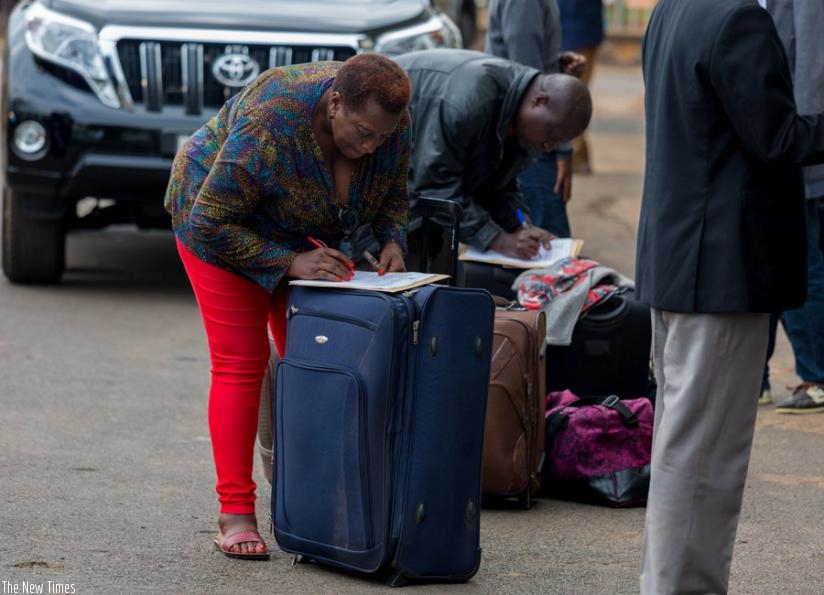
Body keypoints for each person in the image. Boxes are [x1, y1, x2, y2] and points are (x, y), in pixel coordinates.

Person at [163, 53, 412, 560]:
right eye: (362, 133)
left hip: (297, 230)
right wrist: (289, 262)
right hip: (217, 226)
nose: (370, 147)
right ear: (335, 103)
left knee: (319, 358)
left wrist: (392, 239)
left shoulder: (390, 120)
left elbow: (394, 194)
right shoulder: (272, 119)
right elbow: (212, 219)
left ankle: (312, 503)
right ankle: (235, 513)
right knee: (241, 362)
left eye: (380, 138)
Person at [638, 0, 824, 593]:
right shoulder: (739, 18)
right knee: (703, 461)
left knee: (683, 447)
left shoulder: (674, 9)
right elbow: (776, 137)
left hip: (684, 257)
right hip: (720, 266)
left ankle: (670, 581)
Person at [393, 49, 592, 261]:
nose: (548, 147)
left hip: (413, 180)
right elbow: (434, 188)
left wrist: (519, 226)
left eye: (558, 142)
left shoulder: (521, 111)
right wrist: (500, 240)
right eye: (551, 135)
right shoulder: (468, 103)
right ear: (540, 101)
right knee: (407, 264)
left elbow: (497, 185)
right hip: (375, 171)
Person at [758, 0, 824, 413]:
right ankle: (755, 376)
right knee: (761, 260)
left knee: (805, 263)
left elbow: (813, 65)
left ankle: (815, 375)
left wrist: (799, 145)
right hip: (769, 143)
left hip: (795, 147)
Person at [485, 0, 587, 238]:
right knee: (549, 253)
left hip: (533, 139)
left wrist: (556, 64)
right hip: (533, 145)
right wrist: (561, 146)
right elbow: (530, 84)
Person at [557, 0, 605, 175]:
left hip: (576, 31)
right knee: (570, 97)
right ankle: (578, 154)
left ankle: (576, 155)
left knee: (571, 97)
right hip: (576, 29)